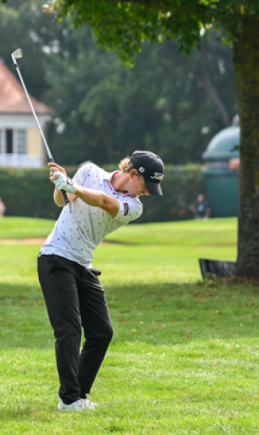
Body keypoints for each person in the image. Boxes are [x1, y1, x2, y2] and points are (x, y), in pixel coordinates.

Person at [40, 151, 163, 412]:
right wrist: (61, 184)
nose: (149, 192)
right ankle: (70, 399)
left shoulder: (134, 206)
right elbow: (64, 200)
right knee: (69, 329)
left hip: (83, 263)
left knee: (102, 332)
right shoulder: (89, 172)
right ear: (132, 174)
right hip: (56, 257)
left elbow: (106, 203)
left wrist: (73, 186)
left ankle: (78, 395)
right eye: (146, 185)